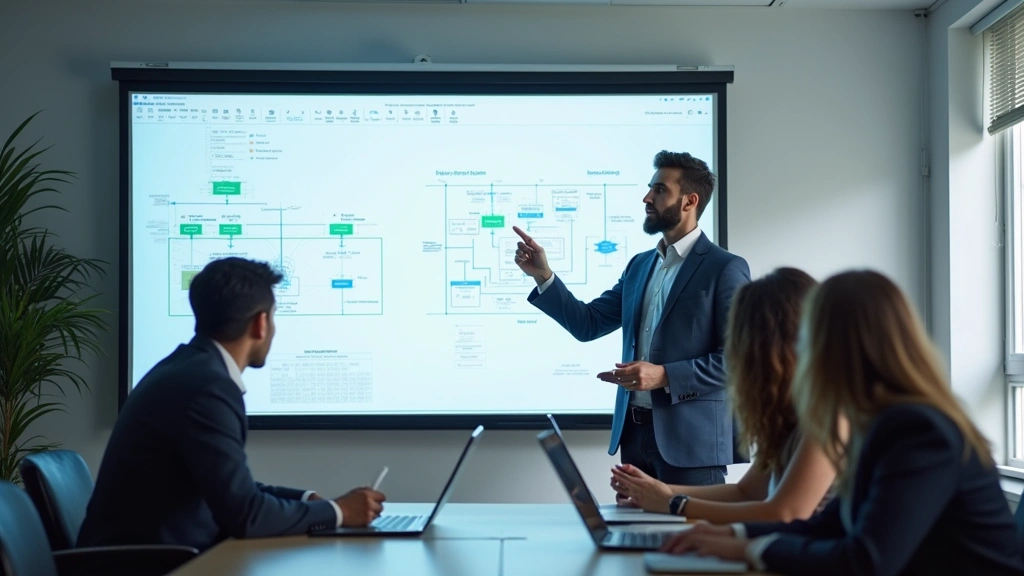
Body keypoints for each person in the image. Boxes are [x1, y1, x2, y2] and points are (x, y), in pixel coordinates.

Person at [659, 270, 1024, 576]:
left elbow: (867, 561)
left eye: (805, 339)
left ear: (836, 347)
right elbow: (827, 526)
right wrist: (733, 534)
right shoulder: (880, 422)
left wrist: (751, 549)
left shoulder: (917, 431)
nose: (798, 354)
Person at [78, 257, 386, 552]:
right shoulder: (207, 387)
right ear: (261, 323)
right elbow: (245, 515)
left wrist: (308, 500)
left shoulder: (184, 369)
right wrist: (339, 512)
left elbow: (234, 491)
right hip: (149, 565)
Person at [513, 151, 750, 487]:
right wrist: (544, 276)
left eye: (659, 190)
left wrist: (665, 375)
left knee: (691, 537)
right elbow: (588, 323)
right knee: (636, 537)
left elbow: (739, 361)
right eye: (649, 189)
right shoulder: (640, 265)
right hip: (635, 436)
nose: (647, 198)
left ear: (689, 201)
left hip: (691, 443)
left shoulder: (725, 268)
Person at [609, 267, 836, 523]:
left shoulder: (828, 418)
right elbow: (746, 492)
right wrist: (654, 492)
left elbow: (785, 513)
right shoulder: (790, 415)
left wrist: (673, 503)